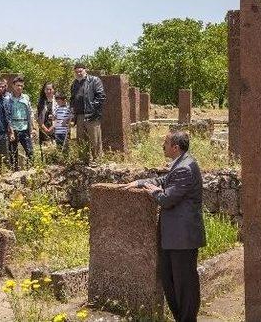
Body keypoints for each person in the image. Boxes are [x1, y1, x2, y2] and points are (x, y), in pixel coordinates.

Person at [124, 131, 206, 322]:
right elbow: (164, 182)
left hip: (182, 238)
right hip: (173, 237)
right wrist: (140, 182)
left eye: (165, 143)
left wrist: (154, 193)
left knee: (184, 284)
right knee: (169, 281)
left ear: (175, 147)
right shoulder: (180, 165)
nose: (163, 146)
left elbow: (167, 199)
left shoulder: (185, 168)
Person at [70, 63, 106, 164]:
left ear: (85, 70)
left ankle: (97, 160)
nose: (79, 73)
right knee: (81, 139)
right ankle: (84, 160)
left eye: (80, 71)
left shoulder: (94, 80)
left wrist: (92, 109)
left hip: (92, 115)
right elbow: (72, 99)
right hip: (79, 116)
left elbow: (101, 96)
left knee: (95, 139)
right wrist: (72, 112)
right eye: (76, 71)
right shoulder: (74, 84)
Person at [8, 76, 33, 170]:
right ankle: (14, 172)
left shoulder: (26, 98)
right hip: (13, 129)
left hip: (25, 127)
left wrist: (33, 128)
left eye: (21, 86)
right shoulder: (8, 98)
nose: (19, 88)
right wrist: (10, 130)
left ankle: (31, 170)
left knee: (30, 151)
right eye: (18, 85)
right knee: (13, 153)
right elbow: (7, 115)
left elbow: (30, 113)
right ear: (13, 85)